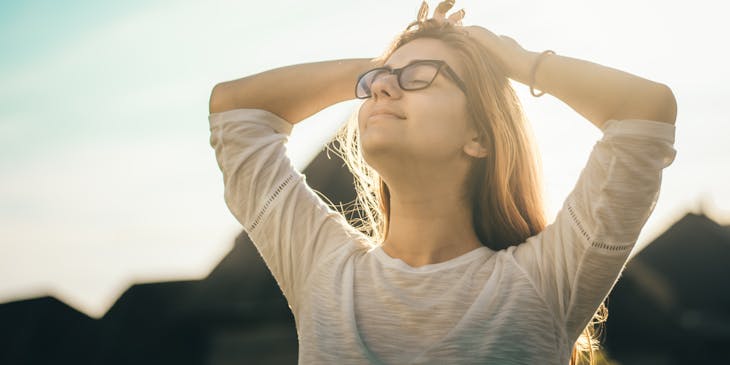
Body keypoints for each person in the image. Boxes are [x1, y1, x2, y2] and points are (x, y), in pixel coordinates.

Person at [207, 1, 677, 364]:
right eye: (376, 83)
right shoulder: (323, 270)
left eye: (420, 78)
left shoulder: (544, 281)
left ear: (479, 135)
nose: (383, 88)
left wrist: (514, 60)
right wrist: (381, 65)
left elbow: (645, 112)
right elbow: (234, 109)